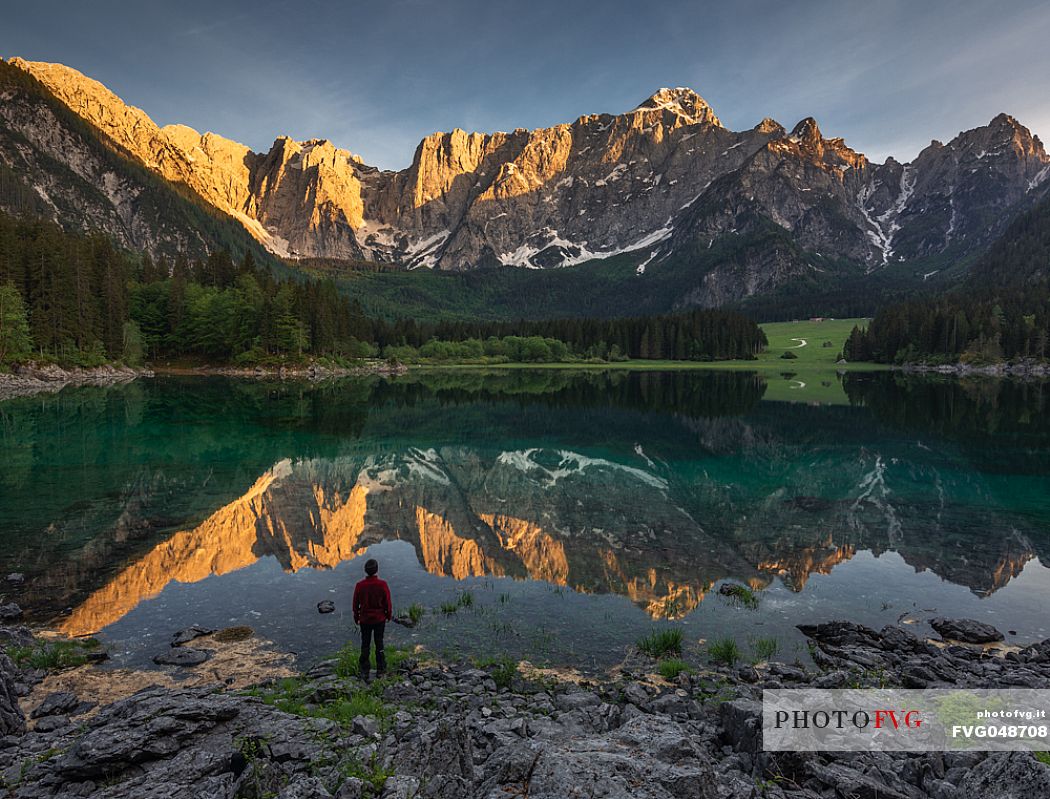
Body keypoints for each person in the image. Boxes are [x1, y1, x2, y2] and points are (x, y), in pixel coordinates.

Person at [352, 558, 392, 680]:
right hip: (379, 619)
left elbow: (355, 604)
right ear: (376, 570)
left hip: (365, 620)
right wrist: (388, 615)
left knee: (365, 644)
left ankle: (364, 669)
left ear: (365, 571)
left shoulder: (359, 585)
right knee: (379, 643)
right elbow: (388, 603)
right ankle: (381, 669)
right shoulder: (382, 584)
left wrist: (356, 617)